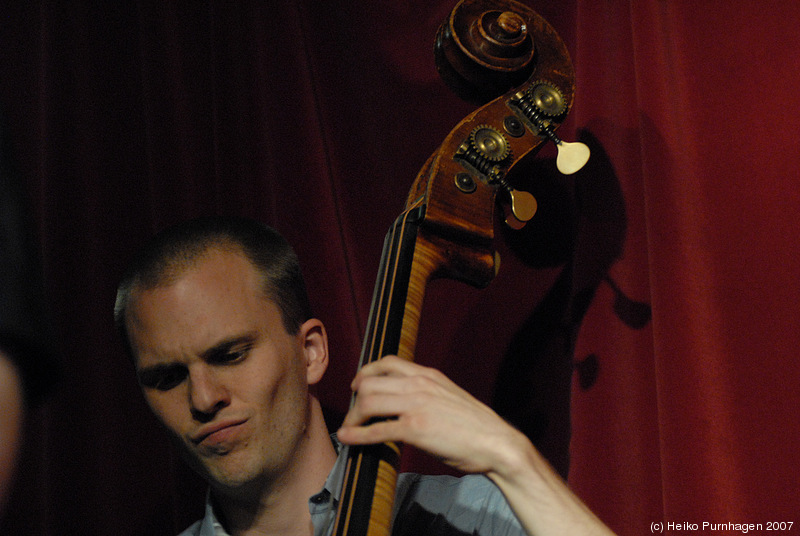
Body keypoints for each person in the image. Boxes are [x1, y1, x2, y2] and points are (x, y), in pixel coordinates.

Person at [114, 216, 615, 536]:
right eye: (166, 378)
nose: (203, 398)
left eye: (230, 355)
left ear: (310, 352)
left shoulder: (468, 519)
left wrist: (514, 461)